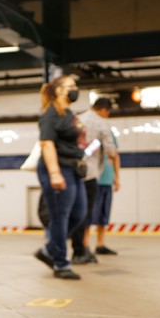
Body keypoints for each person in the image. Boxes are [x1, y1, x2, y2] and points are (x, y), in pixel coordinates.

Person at [32, 76, 86, 280]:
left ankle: (49, 250)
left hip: (73, 169)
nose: (75, 90)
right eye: (71, 87)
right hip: (57, 169)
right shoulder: (50, 114)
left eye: (75, 86)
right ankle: (61, 263)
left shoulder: (68, 113)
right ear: (57, 90)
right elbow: (47, 144)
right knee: (60, 217)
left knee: (79, 214)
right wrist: (55, 173)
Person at [70, 98, 120, 264]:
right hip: (90, 173)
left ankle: (80, 248)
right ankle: (82, 249)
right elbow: (111, 150)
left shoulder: (78, 118)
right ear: (104, 110)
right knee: (87, 212)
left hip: (75, 171)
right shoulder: (101, 123)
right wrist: (111, 157)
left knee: (78, 211)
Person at [91, 131, 119, 255]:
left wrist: (117, 177)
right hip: (94, 180)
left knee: (103, 215)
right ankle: (84, 245)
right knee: (89, 215)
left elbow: (116, 156)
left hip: (107, 180)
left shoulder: (110, 135)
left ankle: (100, 244)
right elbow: (87, 154)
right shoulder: (92, 135)